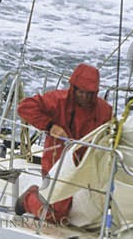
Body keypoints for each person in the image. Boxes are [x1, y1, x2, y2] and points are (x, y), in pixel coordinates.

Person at [15, 63, 114, 223]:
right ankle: (28, 198)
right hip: (57, 160)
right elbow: (25, 107)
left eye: (90, 93)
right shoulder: (57, 100)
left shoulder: (105, 111)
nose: (85, 97)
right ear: (73, 88)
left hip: (87, 164)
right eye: (81, 92)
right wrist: (50, 126)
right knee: (55, 215)